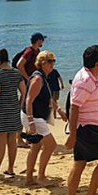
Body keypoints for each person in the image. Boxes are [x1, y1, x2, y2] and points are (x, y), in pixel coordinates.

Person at [66, 45, 98, 195]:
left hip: (89, 126)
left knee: (79, 165)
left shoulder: (93, 76)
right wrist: (73, 134)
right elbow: (74, 107)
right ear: (96, 63)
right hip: (86, 128)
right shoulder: (85, 80)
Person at [22, 50, 67, 186]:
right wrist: (31, 122)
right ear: (42, 63)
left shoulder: (44, 77)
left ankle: (29, 178)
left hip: (34, 116)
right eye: (49, 61)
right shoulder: (38, 78)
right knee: (51, 145)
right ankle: (40, 176)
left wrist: (59, 110)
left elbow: (48, 99)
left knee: (36, 146)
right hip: (33, 117)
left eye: (53, 61)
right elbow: (28, 100)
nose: (52, 64)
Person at [0, 49, 26, 180]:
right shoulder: (16, 73)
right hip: (14, 111)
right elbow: (23, 91)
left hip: (0, 111)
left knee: (0, 145)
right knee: (12, 142)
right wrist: (19, 105)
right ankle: (10, 169)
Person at [16, 32, 46, 148]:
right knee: (24, 110)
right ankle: (19, 139)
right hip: (27, 84)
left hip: (31, 84)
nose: (43, 42)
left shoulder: (36, 51)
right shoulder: (29, 51)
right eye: (42, 39)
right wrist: (28, 78)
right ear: (38, 40)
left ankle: (28, 136)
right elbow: (19, 65)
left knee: (30, 109)